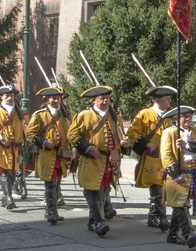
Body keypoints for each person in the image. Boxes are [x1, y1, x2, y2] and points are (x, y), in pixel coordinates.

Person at [67, 86, 128, 236]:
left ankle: (92, 222)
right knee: (91, 191)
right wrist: (87, 147)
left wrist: (125, 143)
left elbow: (117, 137)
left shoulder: (114, 115)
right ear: (94, 100)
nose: (105, 100)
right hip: (91, 160)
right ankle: (99, 222)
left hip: (109, 161)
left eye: (107, 98)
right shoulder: (84, 115)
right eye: (101, 98)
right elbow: (72, 135)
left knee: (103, 192)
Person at [127, 86, 177, 231]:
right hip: (152, 158)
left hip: (168, 158)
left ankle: (152, 217)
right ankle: (162, 218)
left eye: (169, 98)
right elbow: (132, 132)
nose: (169, 100)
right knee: (157, 189)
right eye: (166, 98)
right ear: (157, 99)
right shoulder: (145, 114)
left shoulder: (171, 115)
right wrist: (145, 143)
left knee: (162, 189)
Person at [160, 105, 196, 247]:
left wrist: (187, 144)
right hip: (177, 175)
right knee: (180, 204)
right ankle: (188, 233)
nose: (188, 118)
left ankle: (172, 234)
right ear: (176, 119)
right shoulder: (169, 132)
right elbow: (166, 155)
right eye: (184, 116)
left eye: (189, 116)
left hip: (192, 174)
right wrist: (175, 174)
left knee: (181, 203)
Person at [26, 87, 72, 225]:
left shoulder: (67, 114)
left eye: (58, 97)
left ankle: (52, 210)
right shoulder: (39, 115)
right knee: (50, 183)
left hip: (62, 154)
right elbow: (30, 134)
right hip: (47, 154)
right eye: (53, 98)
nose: (56, 100)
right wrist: (44, 141)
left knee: (57, 183)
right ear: (47, 99)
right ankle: (51, 211)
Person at [0, 86, 26, 209]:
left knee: (13, 173)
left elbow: (25, 129)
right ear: (1, 97)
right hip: (1, 147)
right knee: (5, 172)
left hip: (16, 148)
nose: (9, 98)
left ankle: (5, 197)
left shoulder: (20, 112)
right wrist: (0, 138)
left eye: (11, 95)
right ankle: (8, 198)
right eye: (6, 95)